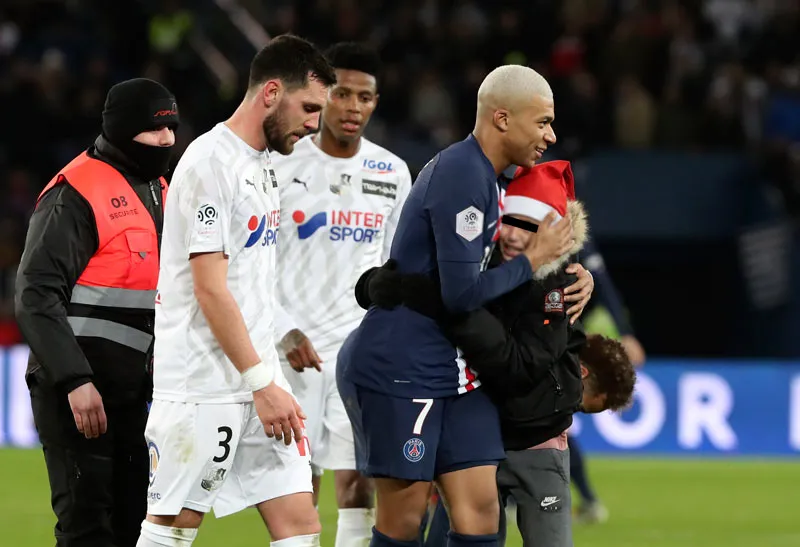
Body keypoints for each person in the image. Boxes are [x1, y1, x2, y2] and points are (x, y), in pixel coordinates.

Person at [338, 64, 587, 547]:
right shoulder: (463, 174)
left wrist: (574, 273)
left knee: (480, 514)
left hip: (457, 371)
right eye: (542, 122)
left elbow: (541, 224)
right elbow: (461, 294)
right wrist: (534, 259)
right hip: (404, 366)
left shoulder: (494, 178)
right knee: (404, 521)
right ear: (502, 119)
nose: (551, 136)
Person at [358, 161, 637, 546]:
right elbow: (386, 283)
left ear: (552, 237)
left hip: (534, 445)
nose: (514, 235)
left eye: (529, 227)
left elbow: (517, 367)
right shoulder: (477, 257)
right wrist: (387, 285)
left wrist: (448, 303)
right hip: (475, 439)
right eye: (510, 220)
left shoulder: (557, 290)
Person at [135, 35, 336, 547]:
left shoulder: (263, 164)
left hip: (258, 378)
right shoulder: (211, 164)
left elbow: (249, 278)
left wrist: (273, 356)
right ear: (272, 92)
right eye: (309, 108)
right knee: (172, 530)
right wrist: (261, 383)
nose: (315, 124)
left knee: (301, 525)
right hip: (203, 387)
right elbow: (210, 290)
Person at [15, 78, 179, 547]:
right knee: (86, 530)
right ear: (124, 130)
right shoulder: (75, 192)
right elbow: (35, 293)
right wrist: (75, 380)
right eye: (155, 129)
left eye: (172, 128)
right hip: (78, 391)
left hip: (132, 394)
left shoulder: (159, 188)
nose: (167, 139)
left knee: (135, 528)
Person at [270, 42, 412, 547]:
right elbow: (252, 262)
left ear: (376, 102)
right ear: (322, 95)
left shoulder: (392, 172)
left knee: (358, 483)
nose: (353, 107)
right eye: (342, 94)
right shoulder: (281, 165)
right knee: (297, 486)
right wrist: (281, 329)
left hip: (361, 353)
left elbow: (397, 267)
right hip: (295, 352)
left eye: (365, 97)